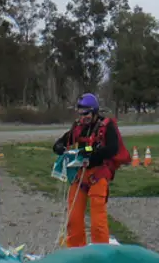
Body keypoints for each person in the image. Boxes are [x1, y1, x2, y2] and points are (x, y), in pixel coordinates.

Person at [52, 93, 131, 246]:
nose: (83, 117)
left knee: (97, 223)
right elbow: (63, 141)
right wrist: (59, 147)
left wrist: (93, 155)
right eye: (80, 114)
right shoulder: (78, 127)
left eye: (86, 114)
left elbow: (113, 149)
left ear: (94, 112)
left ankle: (100, 256)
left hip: (98, 175)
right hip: (80, 176)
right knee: (73, 220)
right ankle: (76, 254)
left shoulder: (106, 126)